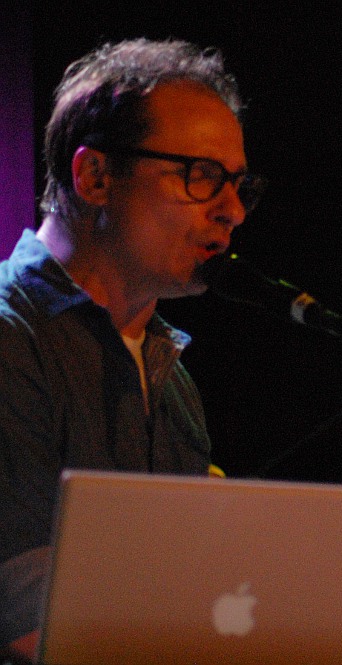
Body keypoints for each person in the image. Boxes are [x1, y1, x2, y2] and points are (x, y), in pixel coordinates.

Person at [0, 38, 264, 658]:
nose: (232, 212)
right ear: (95, 176)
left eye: (239, 186)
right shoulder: (10, 339)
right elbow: (26, 615)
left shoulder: (171, 379)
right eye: (203, 178)